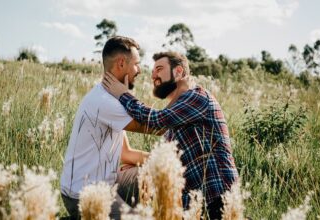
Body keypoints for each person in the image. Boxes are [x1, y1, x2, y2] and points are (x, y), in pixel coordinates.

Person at [102, 51, 239, 220]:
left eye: (159, 69)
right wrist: (146, 167)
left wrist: (122, 94)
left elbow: (155, 120)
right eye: (152, 71)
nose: (153, 75)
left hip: (216, 198)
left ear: (179, 71)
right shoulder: (176, 116)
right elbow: (170, 162)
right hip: (195, 204)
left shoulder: (196, 96)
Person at [60, 36, 150, 220]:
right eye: (136, 64)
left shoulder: (113, 100)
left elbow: (125, 153)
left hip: (106, 183)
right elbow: (153, 125)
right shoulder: (104, 102)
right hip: (84, 194)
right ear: (121, 63)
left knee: (155, 173)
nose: (139, 70)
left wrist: (165, 162)